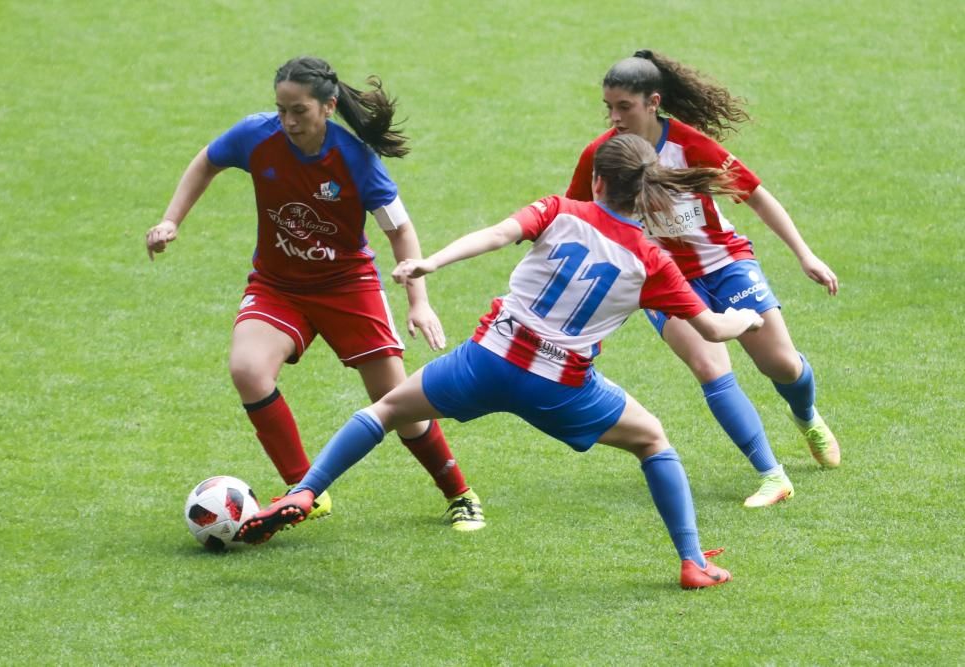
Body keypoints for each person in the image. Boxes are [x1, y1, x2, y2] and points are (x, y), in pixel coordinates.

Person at [239, 133, 767, 589]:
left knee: (385, 412)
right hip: (561, 388)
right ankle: (693, 561)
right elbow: (714, 328)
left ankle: (307, 490)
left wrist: (429, 263)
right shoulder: (652, 260)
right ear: (641, 190)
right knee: (652, 440)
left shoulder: (560, 209)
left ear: (599, 183)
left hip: (486, 361)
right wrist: (749, 320)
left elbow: (494, 235)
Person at [145, 56, 484, 531]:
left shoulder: (355, 160)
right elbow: (208, 160)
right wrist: (170, 220)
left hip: (348, 287)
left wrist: (418, 300)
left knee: (399, 403)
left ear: (327, 107)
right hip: (277, 286)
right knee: (248, 370)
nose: (287, 121)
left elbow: (400, 231)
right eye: (281, 109)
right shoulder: (255, 136)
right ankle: (306, 489)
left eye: (299, 111)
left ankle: (459, 493)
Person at [566, 50, 840, 508]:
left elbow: (755, 196)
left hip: (726, 265)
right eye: (608, 108)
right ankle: (772, 475)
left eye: (624, 107)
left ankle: (806, 413)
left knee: (782, 365)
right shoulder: (601, 155)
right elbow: (579, 217)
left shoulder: (690, 145)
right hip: (660, 281)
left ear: (653, 102)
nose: (614, 118)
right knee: (711, 367)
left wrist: (804, 255)